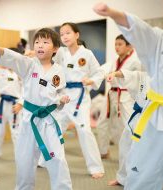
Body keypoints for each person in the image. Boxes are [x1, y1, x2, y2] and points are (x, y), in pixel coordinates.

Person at [94, 1, 163, 189]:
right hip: (156, 118)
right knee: (143, 171)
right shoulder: (158, 39)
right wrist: (112, 13)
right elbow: (137, 27)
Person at [0, 28, 72, 190]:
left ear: (55, 49)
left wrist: (62, 99)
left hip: (49, 119)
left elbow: (59, 92)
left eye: (45, 42)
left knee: (57, 158)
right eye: (37, 42)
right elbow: (16, 58)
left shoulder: (59, 70)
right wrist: (0, 50)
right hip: (29, 118)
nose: (40, 45)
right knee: (24, 159)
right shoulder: (29, 65)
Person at [52, 22, 105, 178]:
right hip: (64, 96)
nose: (64, 36)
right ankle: (45, 159)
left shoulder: (87, 54)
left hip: (80, 98)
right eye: (62, 34)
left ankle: (95, 167)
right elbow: (49, 58)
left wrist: (91, 80)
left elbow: (99, 72)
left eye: (68, 33)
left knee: (84, 130)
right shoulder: (61, 52)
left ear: (77, 34)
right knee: (55, 129)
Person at [97, 35, 142, 158]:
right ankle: (103, 151)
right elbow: (101, 70)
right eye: (115, 44)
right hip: (112, 94)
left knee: (129, 125)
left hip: (127, 95)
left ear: (130, 46)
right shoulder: (114, 60)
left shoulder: (136, 61)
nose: (116, 47)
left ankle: (136, 155)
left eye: (120, 44)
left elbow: (139, 79)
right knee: (102, 122)